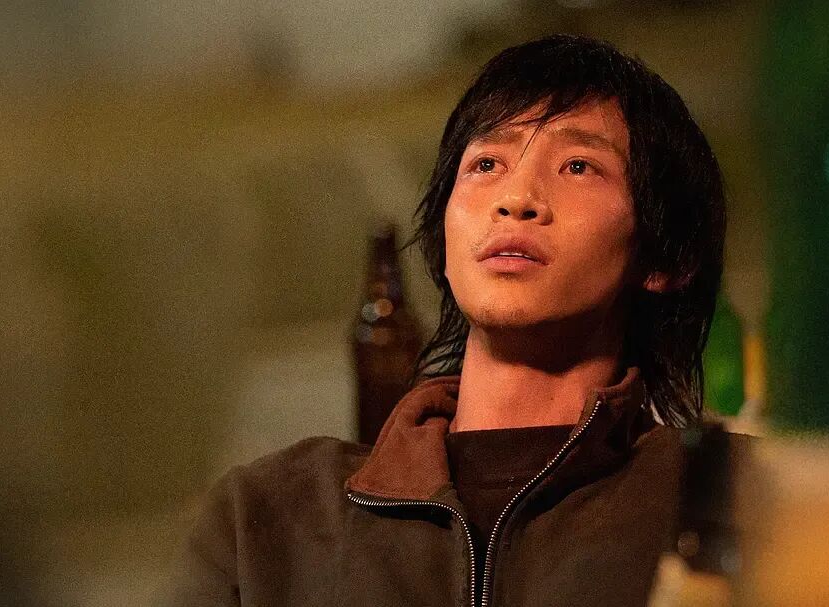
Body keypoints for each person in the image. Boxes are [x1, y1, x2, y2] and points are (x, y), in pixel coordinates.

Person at [174, 34, 729, 607]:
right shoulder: (262, 521)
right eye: (486, 164)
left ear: (665, 259)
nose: (516, 198)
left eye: (577, 166)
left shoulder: (725, 501)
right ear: (443, 240)